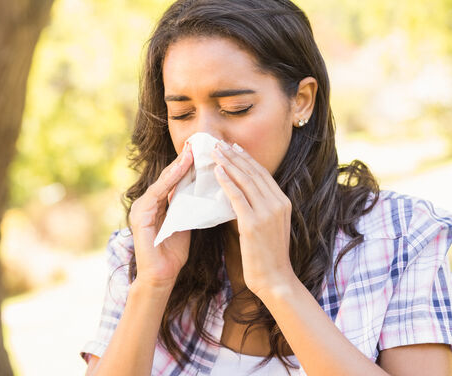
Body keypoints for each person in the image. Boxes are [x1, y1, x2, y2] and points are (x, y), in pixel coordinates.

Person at [80, 0, 452, 375]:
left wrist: (278, 283)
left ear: (301, 101)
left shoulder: (401, 236)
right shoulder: (138, 252)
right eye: (182, 114)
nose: (203, 139)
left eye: (236, 107)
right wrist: (152, 285)